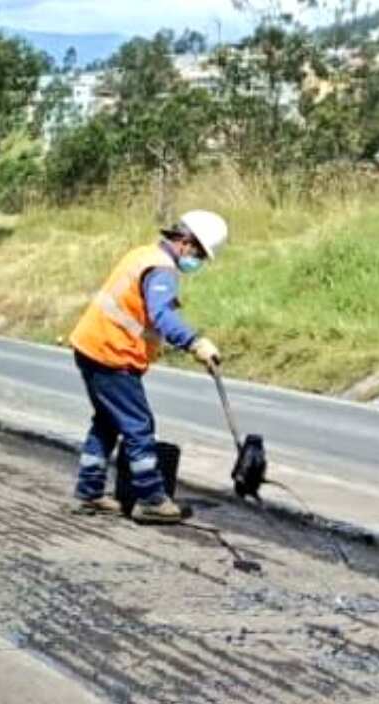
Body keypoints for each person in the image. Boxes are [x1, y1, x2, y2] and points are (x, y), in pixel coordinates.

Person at [68, 210, 227, 524]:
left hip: (92, 346)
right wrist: (195, 342)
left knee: (107, 422)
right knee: (138, 425)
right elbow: (161, 316)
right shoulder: (161, 268)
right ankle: (151, 499)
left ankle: (89, 492)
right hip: (111, 353)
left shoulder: (143, 254)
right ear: (184, 242)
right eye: (199, 254)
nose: (198, 262)